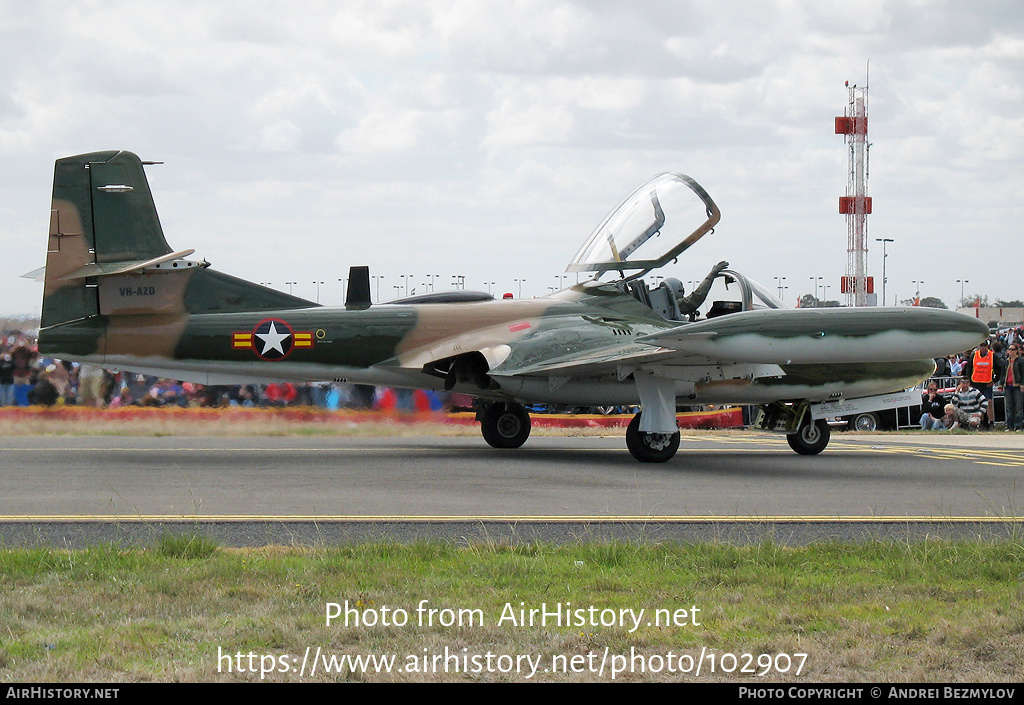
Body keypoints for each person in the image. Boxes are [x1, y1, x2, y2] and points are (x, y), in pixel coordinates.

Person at [962, 341, 997, 428]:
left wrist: (994, 381)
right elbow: (969, 368)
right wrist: (969, 381)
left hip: (987, 383)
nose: (983, 347)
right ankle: (981, 423)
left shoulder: (992, 356)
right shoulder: (974, 355)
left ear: (987, 346)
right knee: (979, 403)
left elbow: (999, 369)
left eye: (984, 345)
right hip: (976, 383)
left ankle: (991, 423)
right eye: (981, 345)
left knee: (989, 403)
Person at [1001, 343, 1024, 431]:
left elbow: (1023, 374)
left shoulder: (1021, 361)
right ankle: (1009, 426)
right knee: (1009, 407)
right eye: (1009, 349)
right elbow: (1003, 373)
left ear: (1016, 351)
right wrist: (1001, 384)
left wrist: (1022, 385)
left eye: (1012, 349)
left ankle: (1018, 425)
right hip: (1008, 386)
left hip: (1017, 386)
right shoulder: (1006, 361)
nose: (1010, 351)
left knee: (1018, 407)